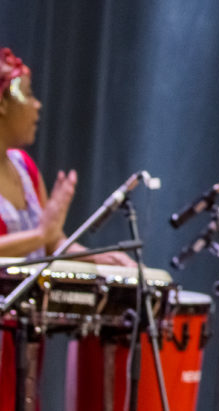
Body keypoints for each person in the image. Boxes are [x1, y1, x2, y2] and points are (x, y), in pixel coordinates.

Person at [0, 47, 133, 411]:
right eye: (27, 93)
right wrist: (42, 235)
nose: (38, 105)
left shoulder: (24, 167)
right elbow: (41, 235)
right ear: (2, 104)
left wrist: (93, 258)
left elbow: (51, 240)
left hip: (22, 330)